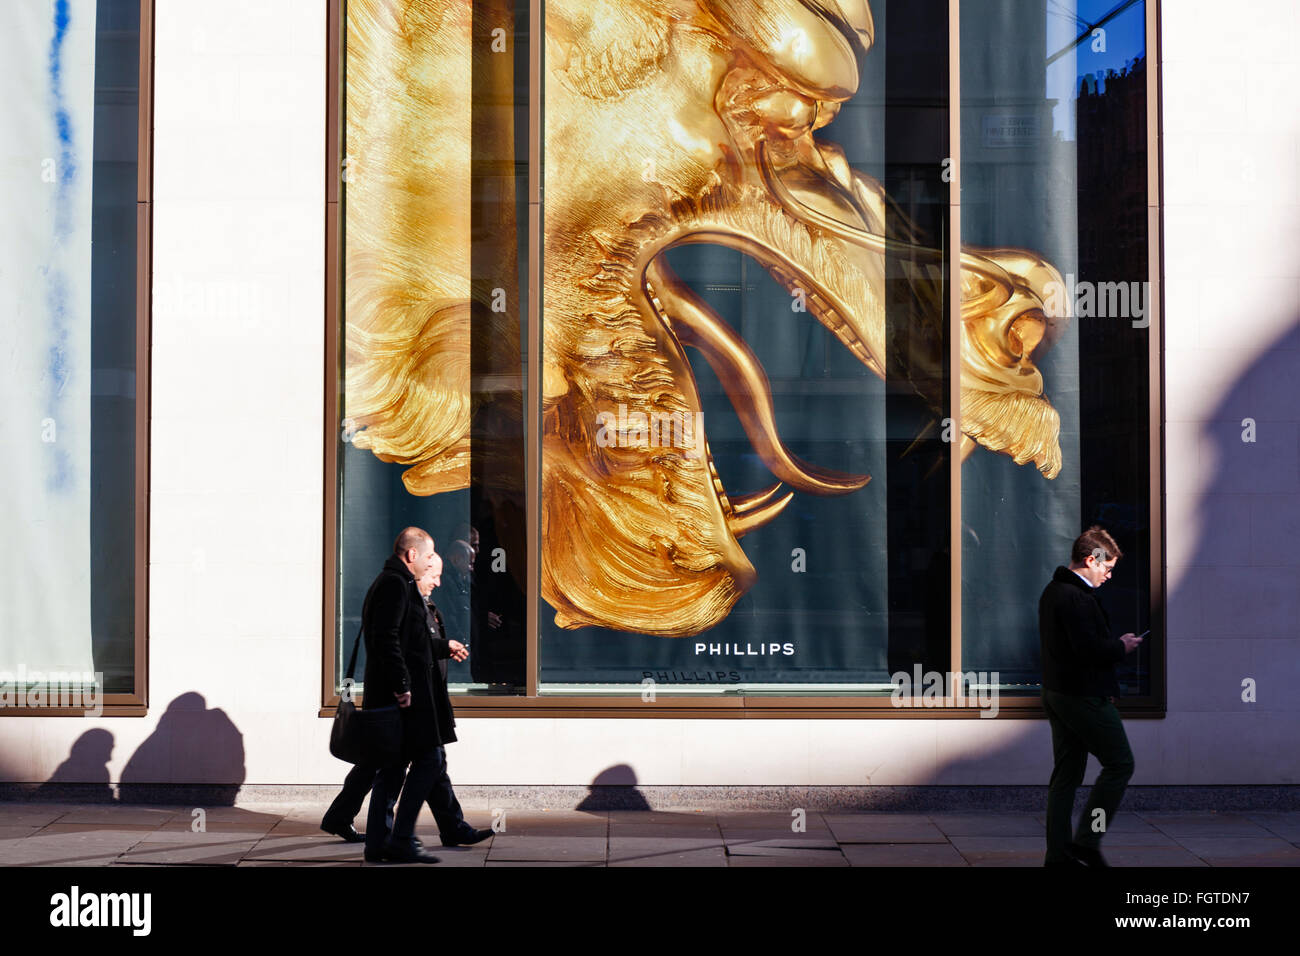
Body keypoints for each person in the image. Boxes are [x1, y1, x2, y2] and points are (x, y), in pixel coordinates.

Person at [1038, 526, 1144, 868]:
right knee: (1120, 764)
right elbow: (1088, 651)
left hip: (1058, 692)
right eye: (1107, 568)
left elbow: (1072, 650)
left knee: (1066, 776)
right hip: (1083, 696)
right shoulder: (1076, 597)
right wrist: (1121, 647)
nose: (1109, 576)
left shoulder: (1054, 591)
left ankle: (1058, 857)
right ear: (1090, 559)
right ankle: (1086, 840)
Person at [415, 561, 492, 849]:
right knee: (414, 767)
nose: (438, 582)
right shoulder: (409, 602)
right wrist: (444, 646)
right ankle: (398, 835)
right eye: (434, 576)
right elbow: (408, 646)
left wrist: (445, 646)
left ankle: (451, 828)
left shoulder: (424, 601)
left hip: (427, 698)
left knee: (429, 766)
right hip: (417, 701)